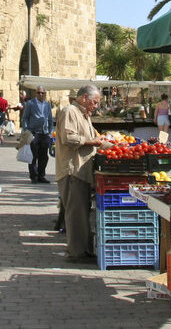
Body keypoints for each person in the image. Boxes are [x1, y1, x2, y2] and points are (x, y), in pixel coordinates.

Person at [55, 84, 111, 263]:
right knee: (75, 213)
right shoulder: (70, 111)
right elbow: (68, 138)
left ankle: (83, 249)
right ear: (84, 98)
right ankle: (76, 253)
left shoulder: (84, 115)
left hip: (82, 171)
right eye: (94, 102)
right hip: (73, 170)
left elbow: (91, 138)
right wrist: (91, 142)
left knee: (81, 212)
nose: (96, 106)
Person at [21, 86, 54, 183]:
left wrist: (50, 131)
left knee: (44, 156)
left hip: (44, 133)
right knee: (33, 156)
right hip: (34, 133)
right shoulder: (30, 103)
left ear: (45, 94)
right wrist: (26, 130)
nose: (40, 94)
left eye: (42, 93)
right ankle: (34, 176)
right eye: (38, 93)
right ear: (36, 93)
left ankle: (41, 175)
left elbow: (50, 118)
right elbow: (25, 117)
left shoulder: (47, 105)